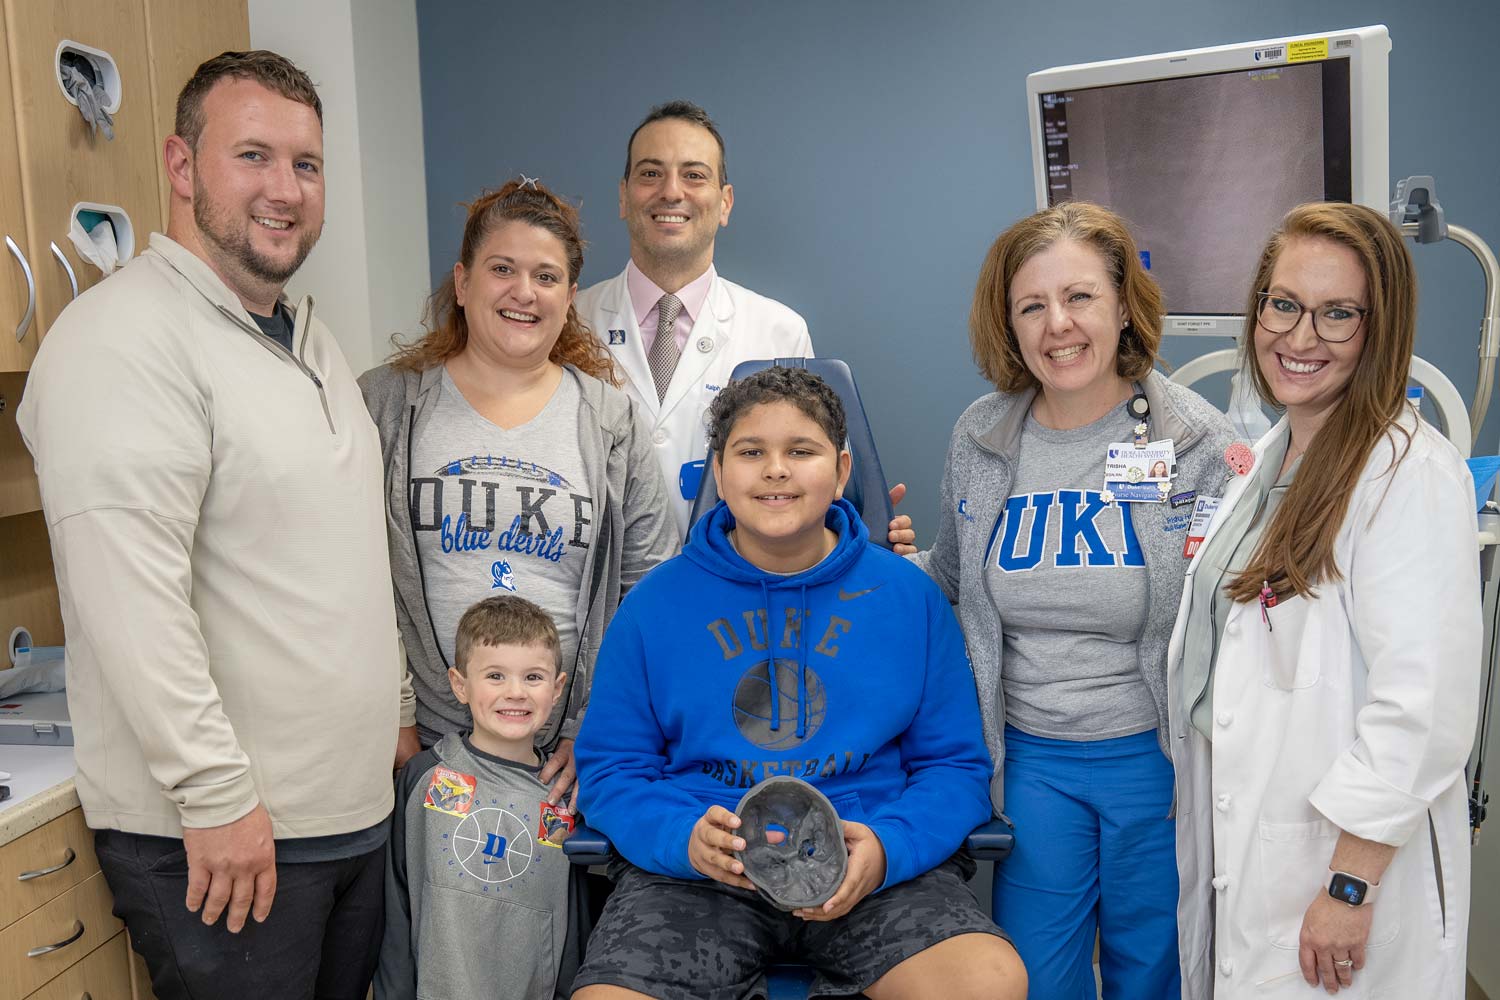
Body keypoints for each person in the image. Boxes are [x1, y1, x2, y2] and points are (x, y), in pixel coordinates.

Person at [17, 51, 403, 998]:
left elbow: (337, 557)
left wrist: (389, 707)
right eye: (254, 157)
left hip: (341, 820)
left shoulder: (302, 336)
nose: (285, 189)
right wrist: (217, 795)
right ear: (182, 168)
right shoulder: (122, 341)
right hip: (228, 842)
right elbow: (129, 595)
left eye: (306, 165)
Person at [571, 367, 1026, 1000]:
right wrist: (682, 840)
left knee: (988, 982)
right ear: (720, 472)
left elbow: (953, 767)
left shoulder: (909, 598)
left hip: (866, 861)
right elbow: (612, 770)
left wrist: (886, 851)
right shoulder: (653, 606)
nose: (776, 470)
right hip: (703, 876)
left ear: (841, 472)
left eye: (801, 452)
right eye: (751, 452)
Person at [909, 201, 1237, 999]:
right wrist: (885, 567)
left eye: (1080, 297)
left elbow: (1229, 617)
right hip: (1030, 762)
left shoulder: (1195, 440)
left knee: (1152, 973)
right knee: (1038, 978)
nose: (1058, 324)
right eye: (1033, 305)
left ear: (1124, 305)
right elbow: (951, 579)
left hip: (1155, 761)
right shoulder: (982, 436)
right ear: (1010, 323)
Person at [1167, 202, 1480, 998]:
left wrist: (1350, 886)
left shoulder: (1407, 472)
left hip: (1343, 870)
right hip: (1257, 836)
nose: (1299, 338)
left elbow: (1423, 706)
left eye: (1337, 314)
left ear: (1380, 329)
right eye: (1283, 304)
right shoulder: (1270, 457)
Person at [359, 178, 679, 804]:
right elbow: (350, 580)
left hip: (561, 764)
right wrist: (395, 717)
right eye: (502, 268)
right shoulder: (387, 405)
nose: (523, 293)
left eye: (546, 276)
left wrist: (597, 730)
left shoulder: (611, 424)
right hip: (418, 750)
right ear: (462, 282)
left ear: (570, 296)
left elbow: (650, 594)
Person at [573, 101, 811, 535]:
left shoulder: (780, 333)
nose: (671, 191)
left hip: (734, 591)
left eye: (694, 175)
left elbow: (811, 479)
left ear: (725, 203)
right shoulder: (569, 323)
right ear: (623, 196)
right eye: (650, 173)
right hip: (598, 595)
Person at [377, 594, 583, 1000]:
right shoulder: (427, 776)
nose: (516, 692)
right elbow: (394, 903)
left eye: (533, 677)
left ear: (557, 689)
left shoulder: (563, 799)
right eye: (495, 676)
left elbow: (571, 922)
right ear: (460, 685)